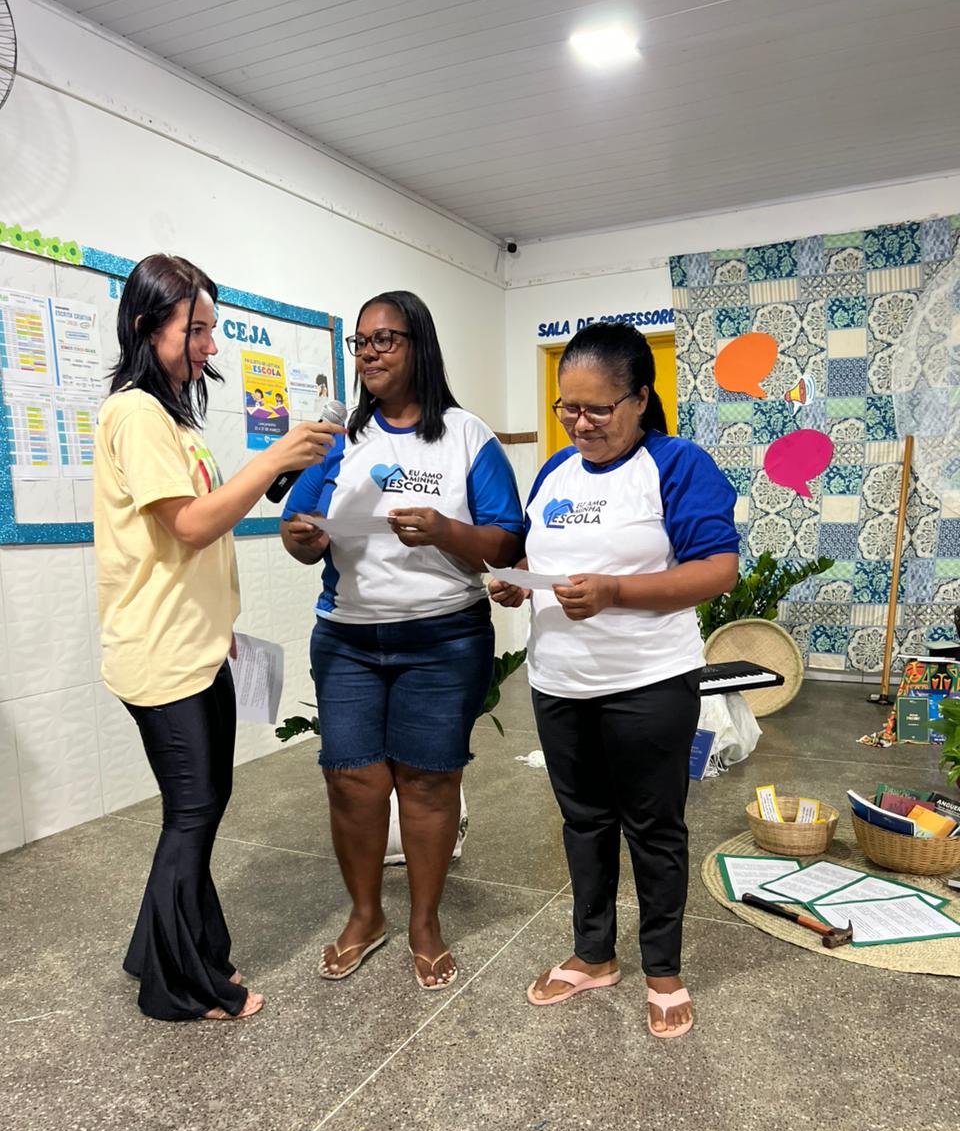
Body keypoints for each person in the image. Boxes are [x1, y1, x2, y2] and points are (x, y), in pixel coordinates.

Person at [94, 254, 342, 1021]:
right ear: (148, 327)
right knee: (193, 810)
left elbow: (188, 536)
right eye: (195, 330)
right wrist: (274, 458)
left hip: (196, 641)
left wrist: (220, 624)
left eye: (210, 330)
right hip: (160, 651)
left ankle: (170, 950)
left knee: (201, 803)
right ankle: (178, 987)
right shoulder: (136, 414)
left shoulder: (172, 416)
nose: (208, 347)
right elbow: (192, 525)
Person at [489, 323, 739, 1038]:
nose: (580, 423)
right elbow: (538, 553)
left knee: (653, 828)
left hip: (648, 682)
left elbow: (718, 570)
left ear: (640, 400)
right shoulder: (555, 473)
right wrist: (518, 582)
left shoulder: (677, 465)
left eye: (598, 408)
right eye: (568, 407)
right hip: (560, 682)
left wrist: (616, 592)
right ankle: (593, 954)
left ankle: (663, 969)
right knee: (584, 822)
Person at [281, 290, 523, 989]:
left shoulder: (467, 437)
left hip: (444, 639)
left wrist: (446, 531)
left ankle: (424, 922)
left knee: (428, 780)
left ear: (419, 344)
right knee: (352, 779)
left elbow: (506, 543)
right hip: (349, 640)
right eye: (361, 342)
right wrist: (303, 539)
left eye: (385, 339)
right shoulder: (338, 440)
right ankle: (366, 915)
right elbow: (299, 533)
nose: (370, 352)